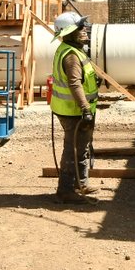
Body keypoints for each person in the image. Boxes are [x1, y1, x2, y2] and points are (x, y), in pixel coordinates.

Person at [50, 11, 99, 204]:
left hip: (73, 110)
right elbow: (74, 83)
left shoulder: (71, 50)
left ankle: (81, 183)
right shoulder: (70, 55)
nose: (84, 29)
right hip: (73, 112)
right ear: (69, 33)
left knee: (82, 146)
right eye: (79, 27)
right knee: (73, 149)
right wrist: (85, 108)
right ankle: (65, 190)